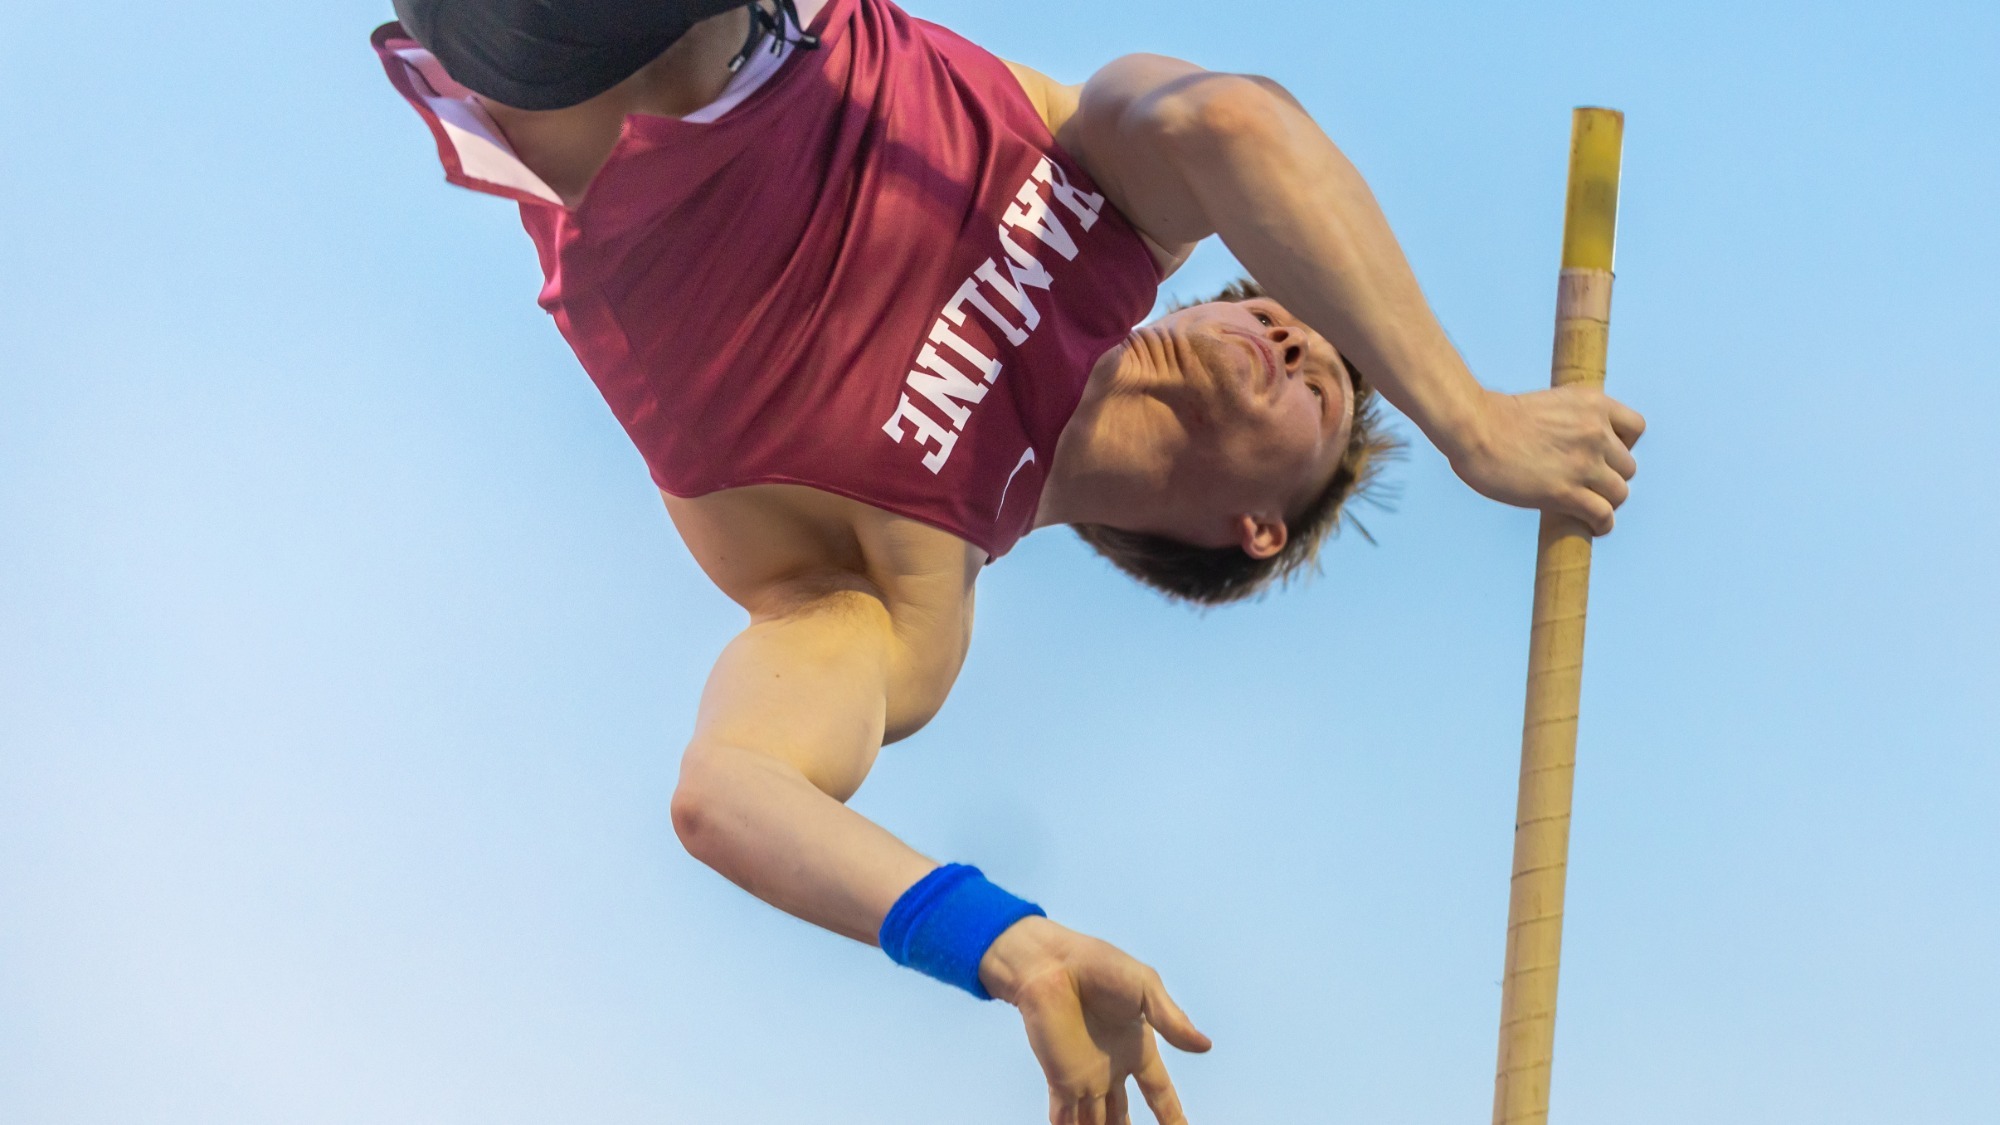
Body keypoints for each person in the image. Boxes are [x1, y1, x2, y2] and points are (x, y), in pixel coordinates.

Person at [371, 1, 1644, 1121]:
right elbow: (1239, 130)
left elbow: (733, 790)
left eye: (1324, 398)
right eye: (1282, 309)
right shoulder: (1106, 185)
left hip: (568, 43)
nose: (1296, 340)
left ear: (1251, 533)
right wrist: (1470, 423)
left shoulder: (904, 591)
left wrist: (1009, 944)